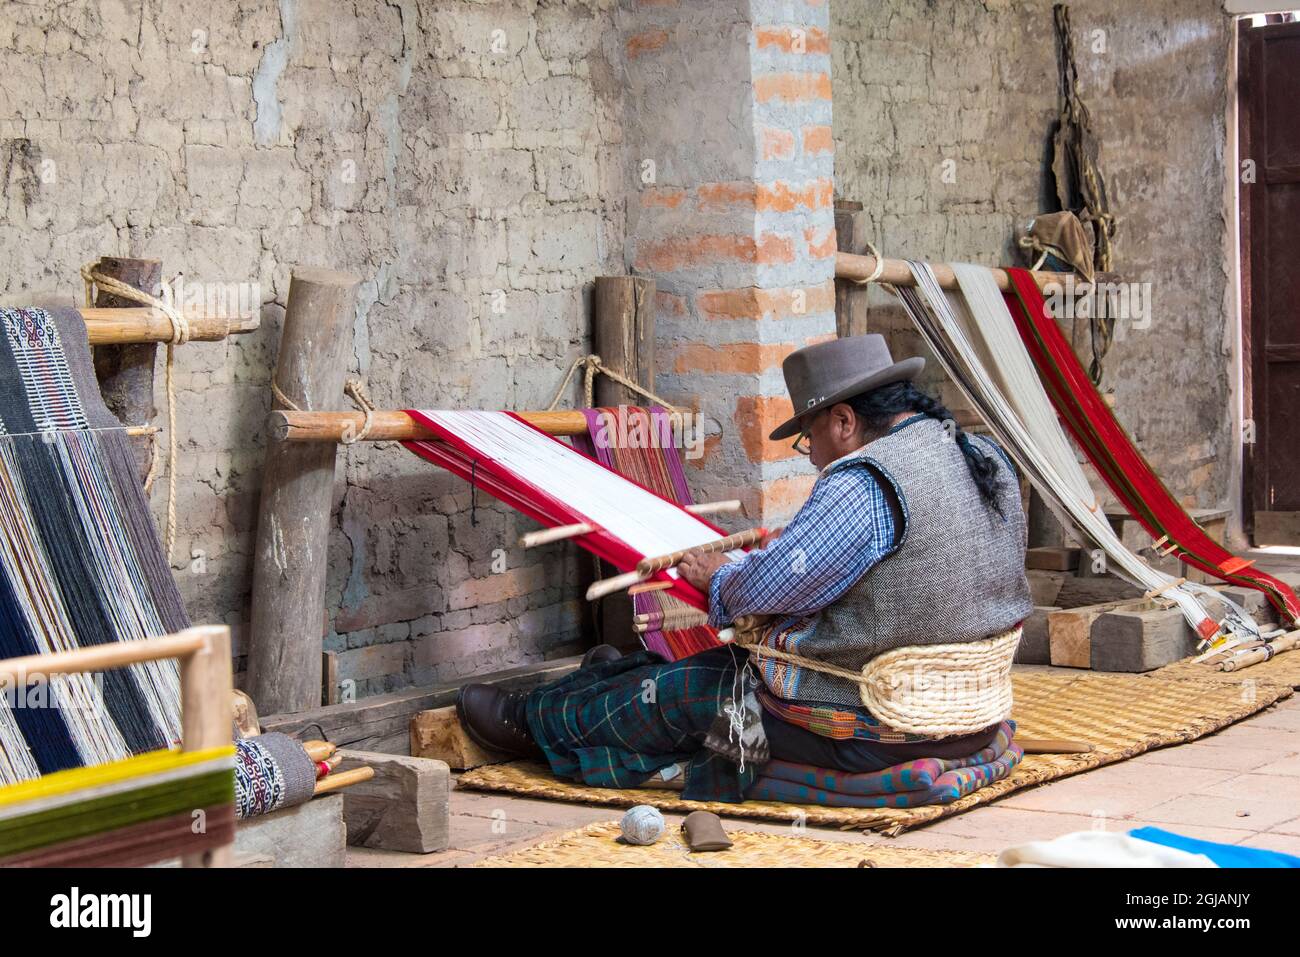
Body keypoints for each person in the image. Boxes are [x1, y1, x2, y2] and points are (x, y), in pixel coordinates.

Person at [457, 335, 1033, 802]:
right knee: (679, 671)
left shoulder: (868, 482)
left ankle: (529, 723)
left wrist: (716, 578)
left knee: (680, 693)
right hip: (971, 717)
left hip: (869, 728)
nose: (815, 458)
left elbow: (768, 589)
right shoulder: (982, 457)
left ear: (844, 422)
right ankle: (607, 681)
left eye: (809, 440)